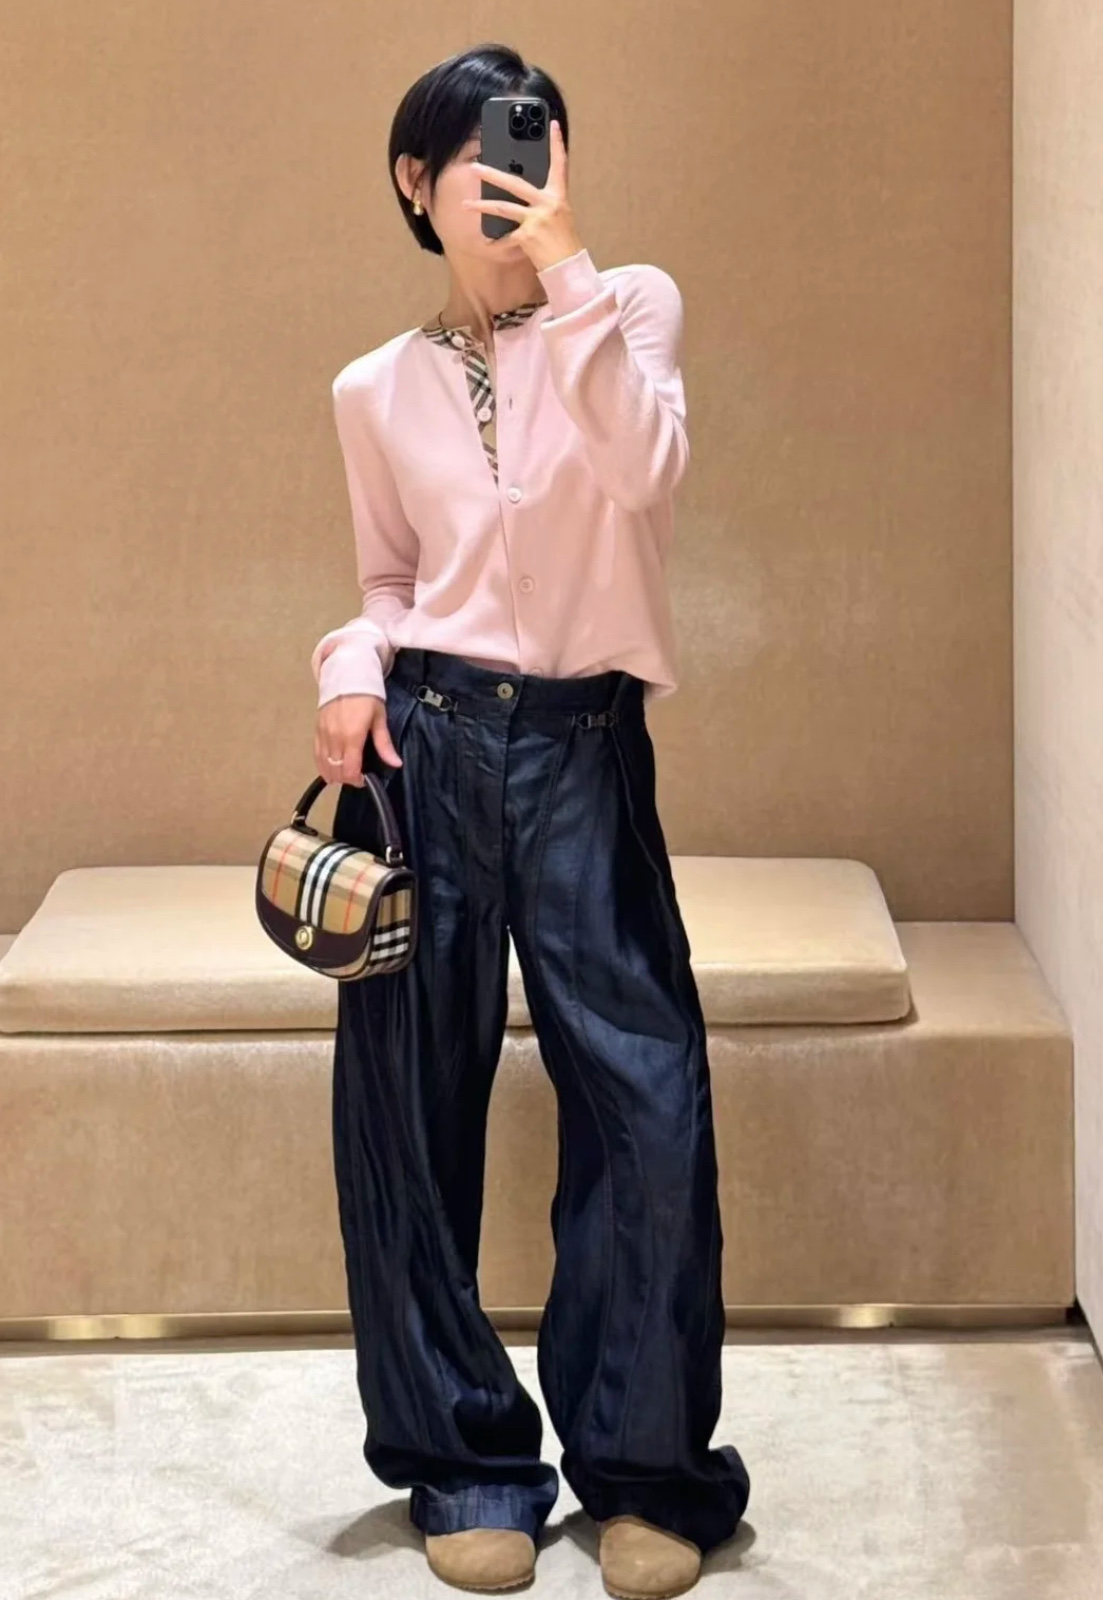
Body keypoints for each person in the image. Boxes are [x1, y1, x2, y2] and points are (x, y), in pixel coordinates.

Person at [310, 42, 751, 1600]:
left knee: (647, 1101)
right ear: (413, 182)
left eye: (539, 148)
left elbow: (647, 475)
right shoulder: (374, 388)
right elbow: (389, 582)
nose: (512, 179)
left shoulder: (627, 309)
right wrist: (348, 669)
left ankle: (645, 1469)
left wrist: (568, 280)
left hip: (582, 748)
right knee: (406, 1102)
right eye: (481, 157)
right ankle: (466, 1458)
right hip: (428, 750)